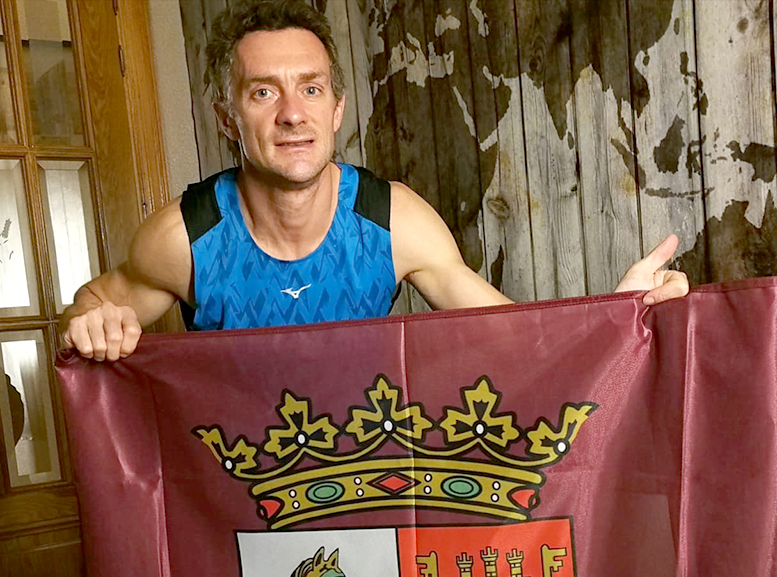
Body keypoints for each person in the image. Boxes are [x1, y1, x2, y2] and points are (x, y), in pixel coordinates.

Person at [59, 1, 688, 362]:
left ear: (335, 109)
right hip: (238, 505)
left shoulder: (392, 220)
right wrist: (90, 322)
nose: (291, 114)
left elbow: (521, 338)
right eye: (262, 92)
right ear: (227, 116)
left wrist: (619, 312)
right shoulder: (185, 237)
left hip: (364, 489)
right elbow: (91, 302)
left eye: (310, 89)